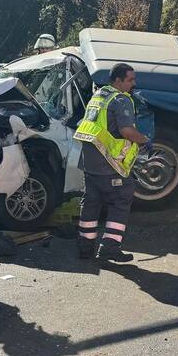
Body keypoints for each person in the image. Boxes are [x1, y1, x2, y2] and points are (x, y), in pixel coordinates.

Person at [74, 62, 150, 262]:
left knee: (91, 203)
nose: (134, 84)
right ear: (118, 80)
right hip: (109, 163)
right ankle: (109, 247)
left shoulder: (99, 96)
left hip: (90, 162)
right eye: (130, 80)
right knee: (121, 201)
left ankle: (85, 247)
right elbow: (127, 131)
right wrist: (144, 140)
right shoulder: (121, 100)